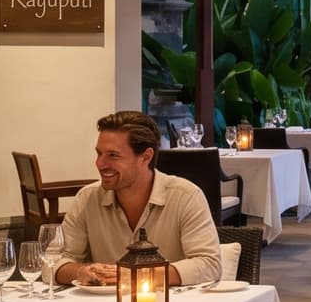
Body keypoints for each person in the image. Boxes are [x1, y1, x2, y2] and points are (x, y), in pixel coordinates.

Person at [55, 110, 221, 286]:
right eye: (99, 153)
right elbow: (52, 262)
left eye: (113, 155)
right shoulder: (88, 198)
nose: (100, 163)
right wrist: (81, 272)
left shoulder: (185, 196)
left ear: (146, 156)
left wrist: (137, 276)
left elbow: (209, 265)